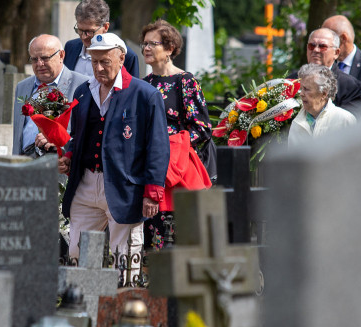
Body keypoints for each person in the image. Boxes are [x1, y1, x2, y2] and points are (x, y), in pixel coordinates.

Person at [58, 32, 169, 268]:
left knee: (126, 257)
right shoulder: (84, 91)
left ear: (121, 58)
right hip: (86, 183)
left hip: (125, 185)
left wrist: (153, 191)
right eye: (94, 61)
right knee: (77, 252)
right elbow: (78, 136)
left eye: (105, 61)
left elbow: (158, 146)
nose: (98, 68)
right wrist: (69, 155)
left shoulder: (145, 94)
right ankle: (83, 303)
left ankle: (126, 304)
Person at [140, 19, 214, 249]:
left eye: (153, 43)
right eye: (144, 44)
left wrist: (168, 144)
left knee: (176, 239)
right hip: (150, 169)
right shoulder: (143, 84)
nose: (146, 48)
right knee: (151, 240)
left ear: (170, 48)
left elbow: (202, 128)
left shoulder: (185, 82)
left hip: (177, 170)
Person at [11, 35, 90, 156]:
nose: (39, 64)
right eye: (34, 59)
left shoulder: (83, 85)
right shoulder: (22, 87)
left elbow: (89, 133)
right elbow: (18, 134)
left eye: (45, 58)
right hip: (23, 163)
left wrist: (59, 140)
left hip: (60, 164)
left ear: (61, 55)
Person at [288, 28, 361, 115]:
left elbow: (348, 123)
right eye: (311, 46)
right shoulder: (290, 82)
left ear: (336, 53)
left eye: (322, 46)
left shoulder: (352, 87)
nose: (316, 50)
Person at [63, 0, 140, 77]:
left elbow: (132, 88)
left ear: (106, 27)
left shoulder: (127, 56)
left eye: (89, 32)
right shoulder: (71, 47)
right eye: (80, 30)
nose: (84, 37)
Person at [288, 64, 356, 146]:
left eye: (306, 89)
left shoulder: (344, 119)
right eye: (301, 89)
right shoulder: (297, 122)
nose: (301, 94)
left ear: (324, 94)